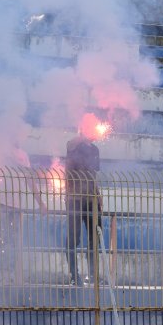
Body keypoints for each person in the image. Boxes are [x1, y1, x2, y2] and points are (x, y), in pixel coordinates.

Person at [0, 143, 47, 285]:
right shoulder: (0, 149)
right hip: (0, 203)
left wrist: (41, 203)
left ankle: (12, 273)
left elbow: (30, 181)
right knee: (1, 239)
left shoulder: (23, 155)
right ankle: (3, 274)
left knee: (14, 241)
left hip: (16, 206)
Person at [65, 114, 103, 286]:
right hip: (75, 198)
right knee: (74, 238)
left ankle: (93, 274)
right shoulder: (74, 146)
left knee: (95, 236)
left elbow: (94, 175)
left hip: (91, 199)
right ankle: (74, 275)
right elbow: (70, 146)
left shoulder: (95, 150)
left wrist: (99, 195)